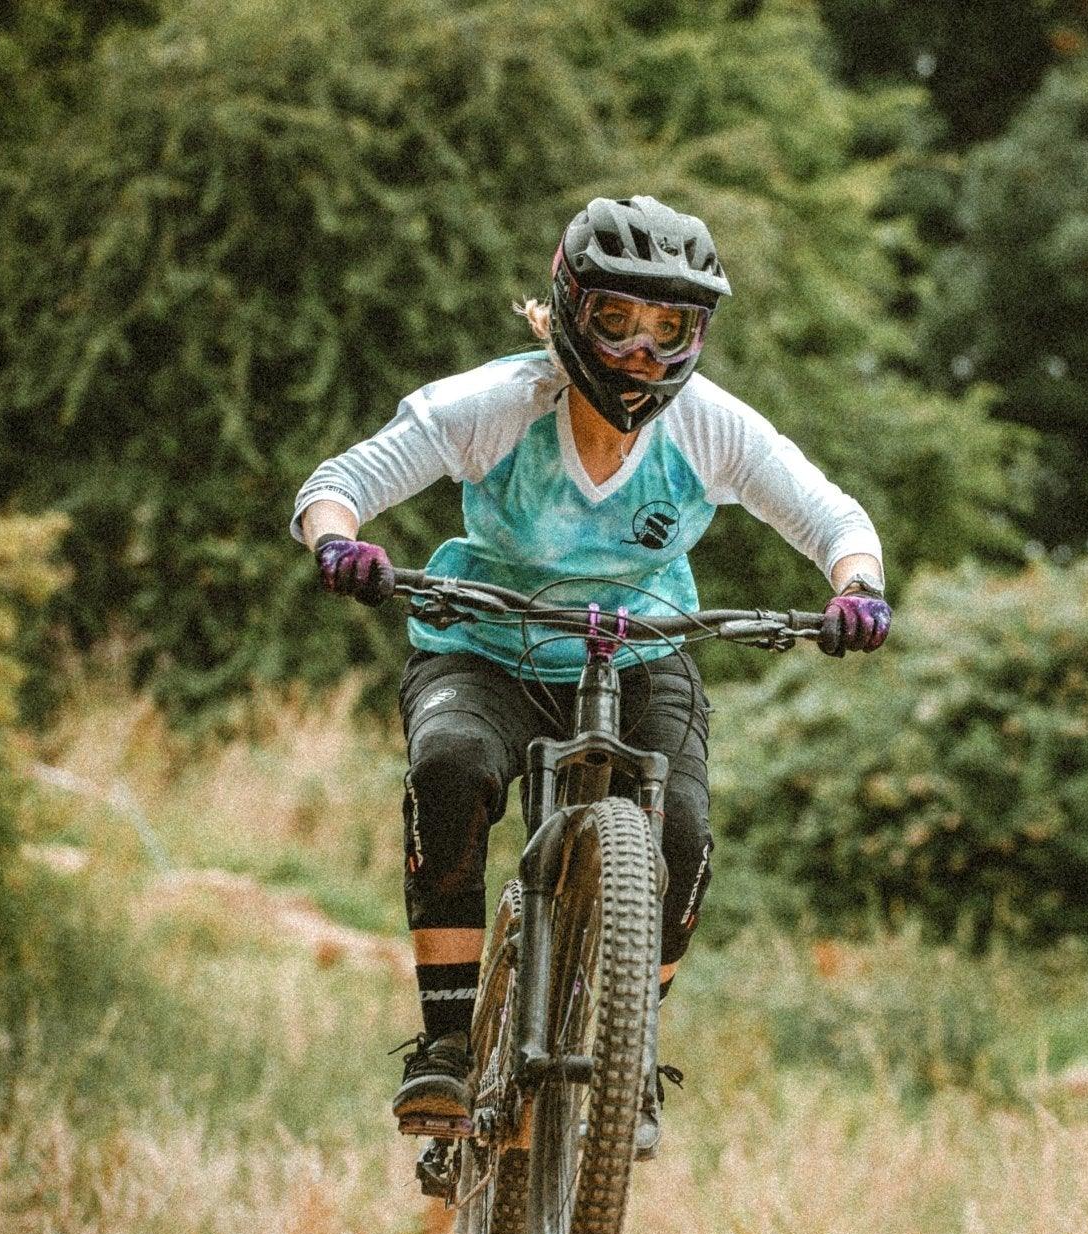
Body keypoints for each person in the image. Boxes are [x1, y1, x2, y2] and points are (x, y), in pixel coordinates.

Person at [291, 196, 890, 1155]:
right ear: (573, 309)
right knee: (449, 763)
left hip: (644, 650)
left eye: (670, 329)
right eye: (618, 320)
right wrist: (340, 546)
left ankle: (627, 1049)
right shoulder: (494, 405)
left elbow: (836, 523)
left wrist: (857, 590)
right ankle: (445, 1040)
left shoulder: (712, 429)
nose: (643, 353)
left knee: (683, 834)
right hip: (486, 641)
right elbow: (338, 485)